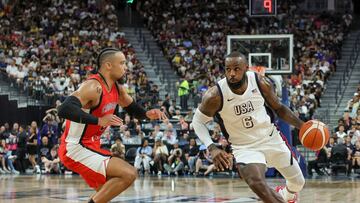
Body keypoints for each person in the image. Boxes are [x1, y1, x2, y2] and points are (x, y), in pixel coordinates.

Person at [192, 52, 306, 203]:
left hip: (270, 138)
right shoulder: (215, 95)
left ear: (246, 68)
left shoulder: (260, 82)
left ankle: (287, 195)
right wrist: (212, 147)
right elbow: (197, 122)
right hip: (244, 147)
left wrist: (303, 126)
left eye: (237, 69)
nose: (232, 74)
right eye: (228, 69)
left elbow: (279, 108)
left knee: (298, 183)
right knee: (256, 182)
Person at [57, 48, 166, 203]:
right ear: (108, 65)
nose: (125, 67)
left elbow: (133, 109)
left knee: (104, 192)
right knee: (129, 173)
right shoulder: (93, 86)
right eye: (122, 63)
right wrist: (98, 121)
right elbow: (64, 109)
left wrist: (147, 114)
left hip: (91, 145)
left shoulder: (117, 89)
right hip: (75, 146)